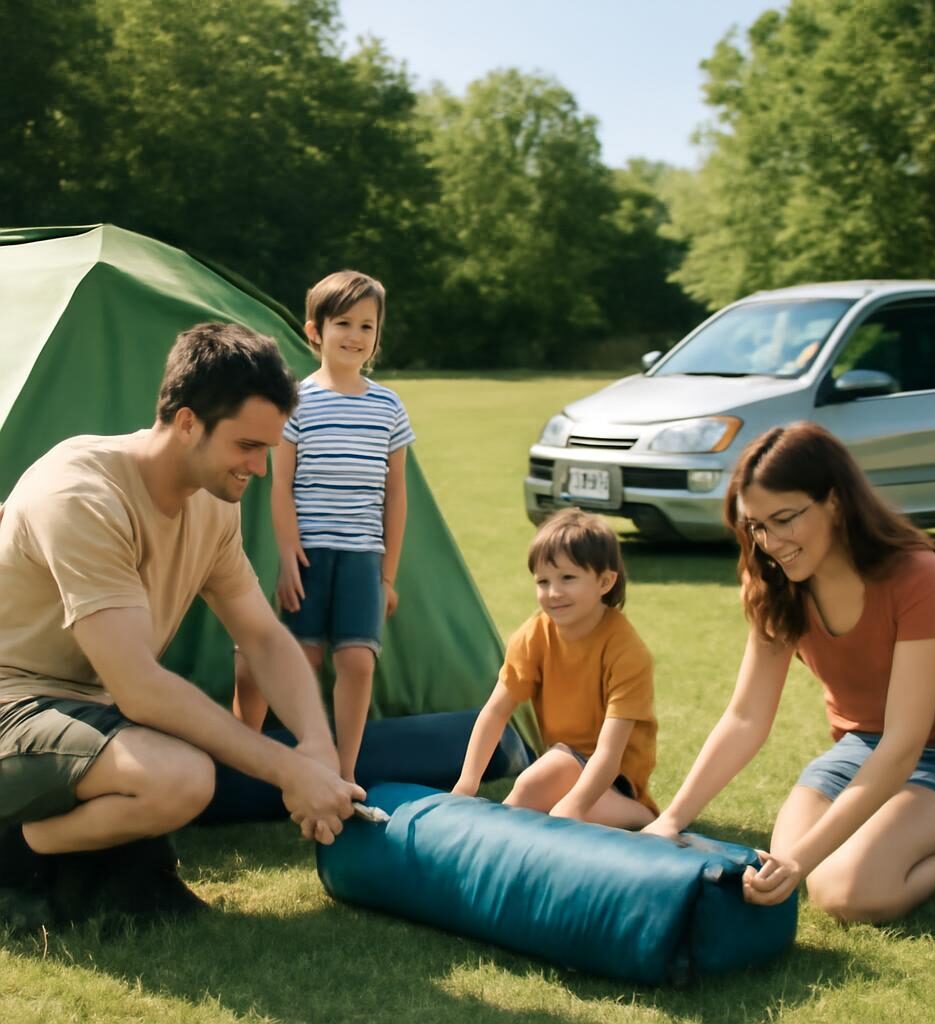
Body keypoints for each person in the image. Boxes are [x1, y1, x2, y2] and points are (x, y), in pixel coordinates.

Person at [0, 322, 364, 930]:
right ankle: (14, 857)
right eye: (248, 446)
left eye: (268, 449)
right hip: (14, 705)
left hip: (87, 715)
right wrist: (286, 771)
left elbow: (263, 635)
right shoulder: (81, 495)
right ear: (189, 421)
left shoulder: (214, 501)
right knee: (181, 775)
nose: (262, 468)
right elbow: (141, 687)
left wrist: (317, 750)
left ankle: (77, 861)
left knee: (185, 757)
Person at [643, 422, 935, 922]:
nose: (770, 542)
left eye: (784, 519)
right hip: (859, 748)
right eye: (755, 525)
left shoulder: (920, 577)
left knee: (847, 894)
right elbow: (746, 717)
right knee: (784, 870)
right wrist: (672, 819)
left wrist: (802, 860)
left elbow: (905, 741)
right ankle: (898, 828)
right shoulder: (773, 585)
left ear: (835, 502)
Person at [233, 270, 413, 784]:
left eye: (366, 326)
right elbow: (279, 486)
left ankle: (344, 770)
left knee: (357, 662)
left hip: (362, 557)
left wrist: (387, 576)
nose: (355, 336)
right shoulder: (296, 402)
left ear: (378, 336)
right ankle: (301, 766)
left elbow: (396, 495)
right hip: (309, 554)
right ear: (315, 332)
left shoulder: (388, 407)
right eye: (342, 324)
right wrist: (287, 554)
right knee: (303, 660)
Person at [453, 508, 658, 828]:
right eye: (543, 581)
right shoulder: (533, 635)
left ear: (605, 581)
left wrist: (574, 805)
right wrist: (467, 784)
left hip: (614, 779)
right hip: (562, 760)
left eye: (568, 578)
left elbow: (609, 751)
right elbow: (495, 712)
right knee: (540, 782)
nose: (553, 593)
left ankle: (643, 815)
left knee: (549, 786)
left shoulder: (627, 652)